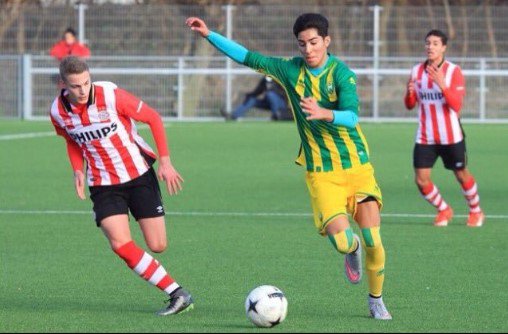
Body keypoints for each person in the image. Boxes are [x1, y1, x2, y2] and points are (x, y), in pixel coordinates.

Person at [186, 14, 391, 320]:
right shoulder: (289, 69)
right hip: (322, 174)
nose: (308, 49)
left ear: (326, 41)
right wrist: (209, 35)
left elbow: (351, 116)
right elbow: (247, 57)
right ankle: (351, 249)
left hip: (358, 168)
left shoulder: (342, 74)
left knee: (375, 240)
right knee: (343, 242)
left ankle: (376, 299)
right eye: (302, 43)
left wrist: (325, 113)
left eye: (314, 42)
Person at [49, 56, 193, 316]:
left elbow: (154, 118)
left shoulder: (111, 96)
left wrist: (166, 162)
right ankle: (177, 293)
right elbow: (71, 140)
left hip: (138, 175)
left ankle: (174, 289)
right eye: (75, 86)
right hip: (103, 183)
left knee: (158, 245)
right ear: (63, 84)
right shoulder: (57, 111)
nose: (82, 90)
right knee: (119, 243)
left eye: (86, 83)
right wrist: (77, 171)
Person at [404, 30, 485, 227]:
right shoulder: (416, 71)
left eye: (435, 43)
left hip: (451, 136)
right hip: (425, 136)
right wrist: (409, 94)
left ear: (443, 47)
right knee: (421, 180)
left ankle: (476, 211)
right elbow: (409, 104)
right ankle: (444, 209)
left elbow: (456, 105)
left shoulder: (453, 71)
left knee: (461, 174)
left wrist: (442, 85)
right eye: (427, 43)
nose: (430, 47)